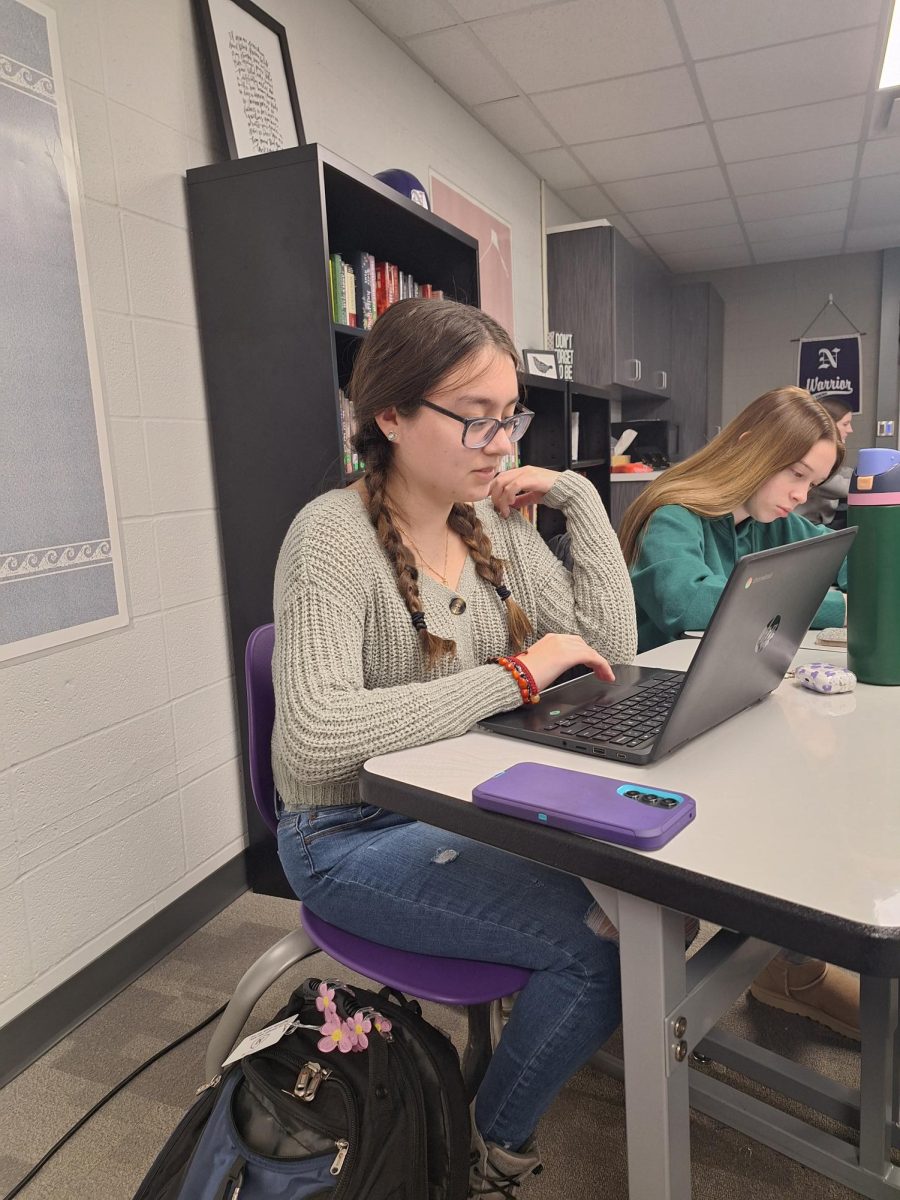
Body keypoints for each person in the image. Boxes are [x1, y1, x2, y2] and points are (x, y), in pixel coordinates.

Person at [272, 297, 638, 1197]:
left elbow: (613, 655)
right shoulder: (330, 537)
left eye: (510, 416)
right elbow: (318, 735)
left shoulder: (499, 526)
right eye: (477, 419)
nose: (501, 443)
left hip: (462, 797)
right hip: (345, 834)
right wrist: (516, 676)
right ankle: (478, 1156)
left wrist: (579, 499)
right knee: (600, 945)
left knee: (637, 899)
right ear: (389, 417)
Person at [618, 385, 858, 1040]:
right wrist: (839, 606)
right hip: (657, 722)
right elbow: (697, 606)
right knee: (806, 792)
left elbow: (839, 559)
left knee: (824, 776)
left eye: (813, 480)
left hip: (726, 705)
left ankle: (788, 965)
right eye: (796, 474)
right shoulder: (676, 511)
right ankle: (789, 965)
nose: (800, 496)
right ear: (752, 450)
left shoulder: (764, 517)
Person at [795, 396, 854, 526]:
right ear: (829, 423)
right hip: (806, 523)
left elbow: (839, 472)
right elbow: (841, 487)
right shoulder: (812, 450)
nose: (850, 429)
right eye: (845, 424)